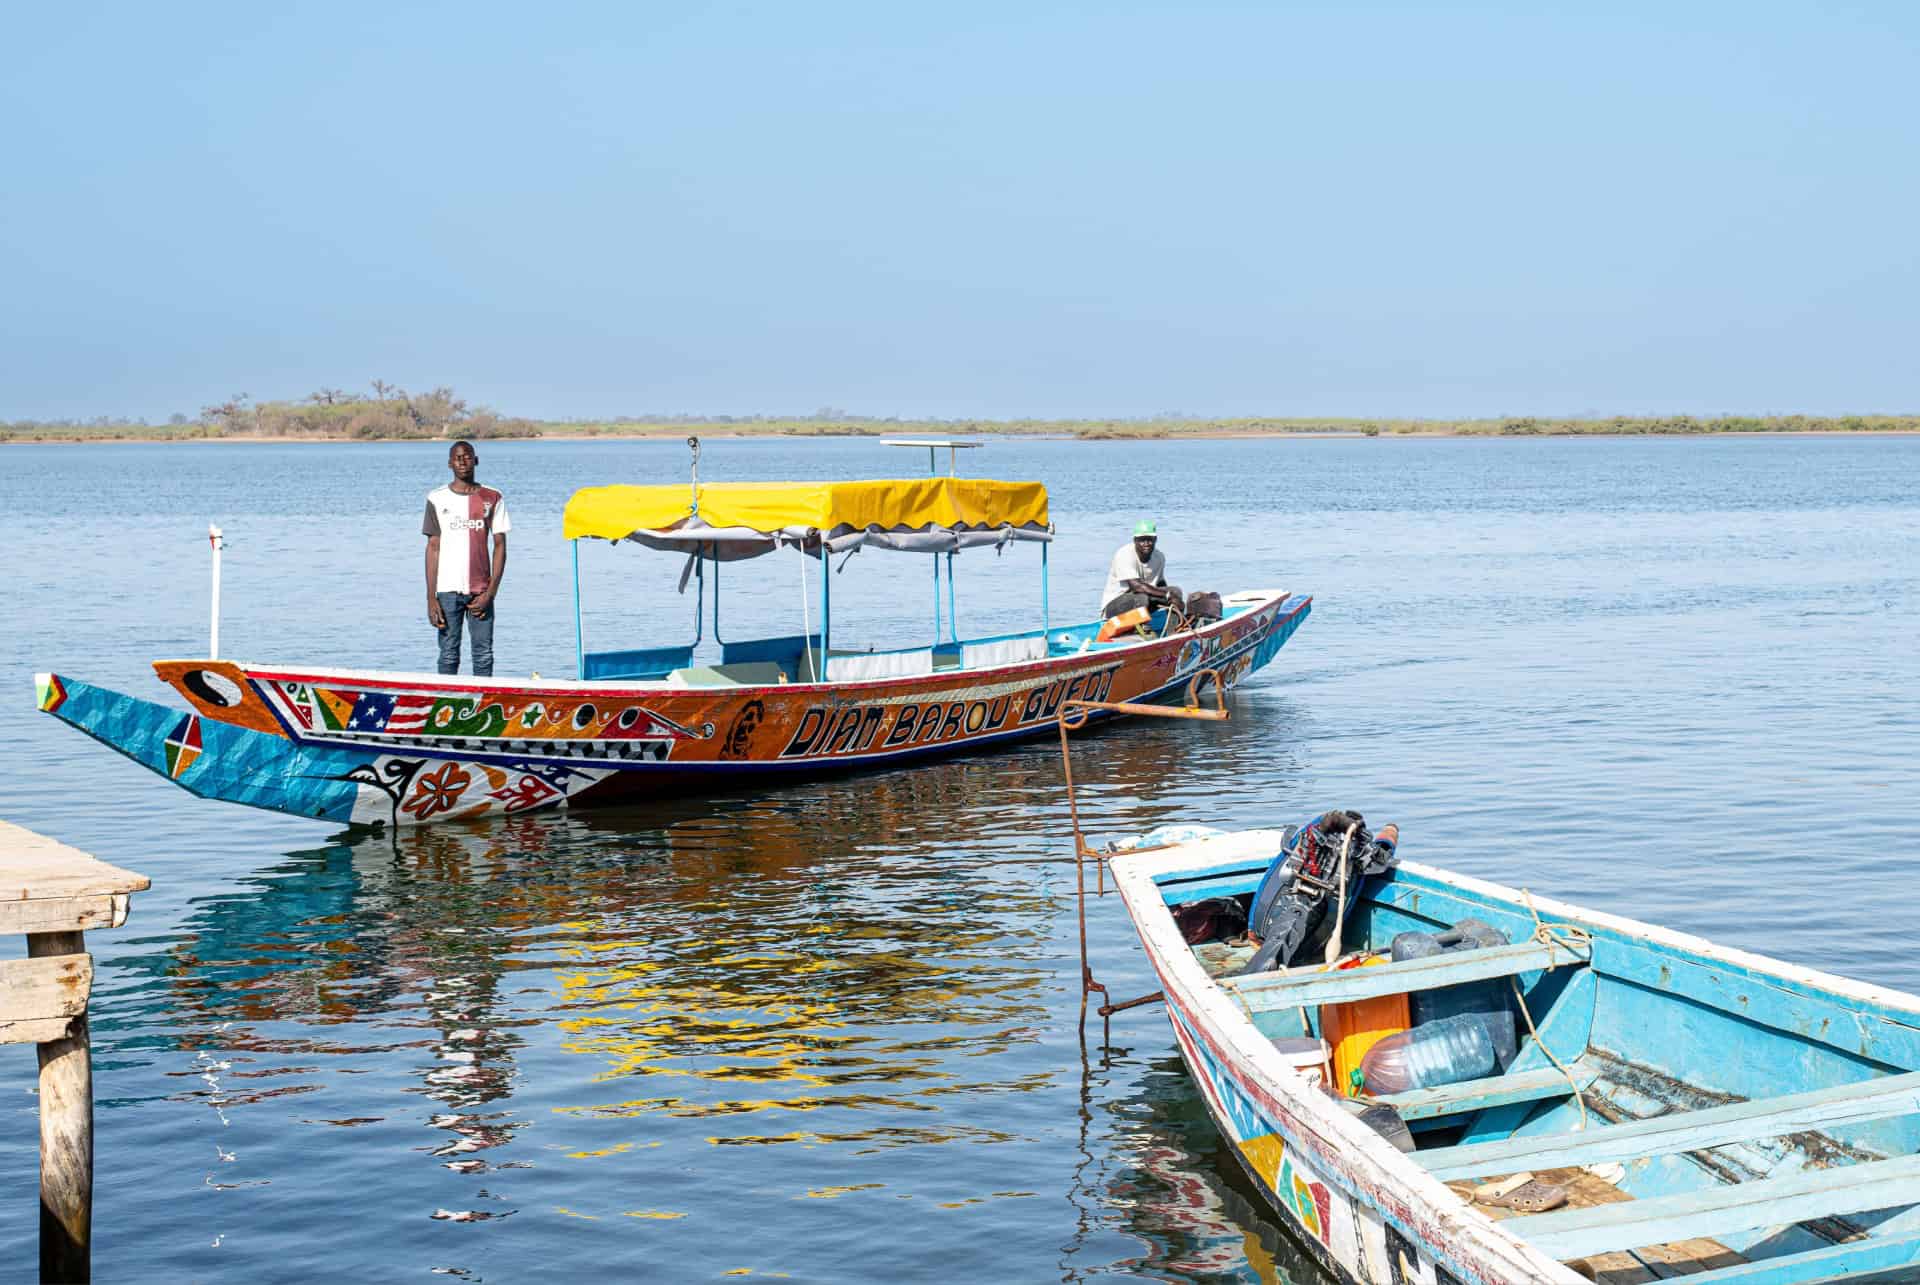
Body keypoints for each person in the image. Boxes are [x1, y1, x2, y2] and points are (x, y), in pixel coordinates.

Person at [424, 440, 510, 676]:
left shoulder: (492, 497)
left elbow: (500, 546)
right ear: (450, 463)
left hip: (481, 591)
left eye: (467, 456)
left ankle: (482, 708)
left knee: (483, 655)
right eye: (457, 457)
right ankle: (445, 706)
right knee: (448, 653)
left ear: (476, 460)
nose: (463, 461)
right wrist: (431, 598)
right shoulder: (436, 498)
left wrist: (490, 593)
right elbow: (433, 547)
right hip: (447, 592)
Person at [1100, 519, 1183, 619]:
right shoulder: (1124, 555)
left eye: (1149, 539)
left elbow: (1160, 584)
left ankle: (1174, 628)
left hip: (1145, 601)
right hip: (1115, 607)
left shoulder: (1159, 557)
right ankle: (1142, 630)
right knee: (1141, 598)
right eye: (1142, 540)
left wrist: (1172, 599)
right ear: (1135, 540)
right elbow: (1137, 587)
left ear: (1155, 539)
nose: (1146, 543)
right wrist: (1167, 595)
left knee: (1176, 591)